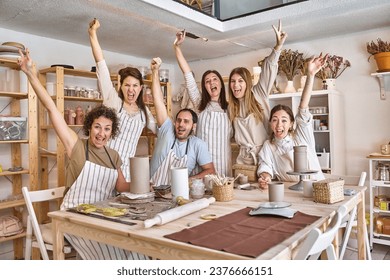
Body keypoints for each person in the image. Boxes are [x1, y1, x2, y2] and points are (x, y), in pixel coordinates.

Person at [18, 49, 148, 260]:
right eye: (97, 127)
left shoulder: (113, 155)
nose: (101, 133)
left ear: (112, 132)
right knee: (111, 252)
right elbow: (51, 108)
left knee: (133, 247)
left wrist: (145, 185)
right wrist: (29, 72)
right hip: (73, 217)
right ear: (90, 127)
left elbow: (121, 186)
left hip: (99, 216)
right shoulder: (76, 146)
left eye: (107, 129)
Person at [88, 18, 157, 182]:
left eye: (135, 86)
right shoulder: (114, 101)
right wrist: (93, 34)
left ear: (141, 88)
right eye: (127, 85)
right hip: (103, 168)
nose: (131, 90)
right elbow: (101, 66)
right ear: (121, 86)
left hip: (126, 174)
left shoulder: (144, 113)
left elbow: (162, 131)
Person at [257, 53, 327, 189]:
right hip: (290, 192)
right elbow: (265, 166)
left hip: (318, 189)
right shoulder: (269, 146)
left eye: (284, 120)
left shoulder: (301, 137)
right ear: (270, 123)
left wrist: (310, 75)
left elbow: (303, 107)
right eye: (275, 120)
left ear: (291, 124)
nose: (279, 125)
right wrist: (265, 178)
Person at [228, 20, 287, 166]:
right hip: (243, 160)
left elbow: (269, 68)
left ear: (247, 83)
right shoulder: (231, 107)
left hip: (264, 156)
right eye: (233, 81)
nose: (236, 85)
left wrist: (277, 48)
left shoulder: (258, 93)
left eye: (240, 81)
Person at [149, 57, 215, 187]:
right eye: (178, 120)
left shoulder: (197, 145)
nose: (181, 124)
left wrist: (189, 180)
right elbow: (157, 100)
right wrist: (155, 71)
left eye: (186, 121)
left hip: (178, 193)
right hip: (152, 190)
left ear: (193, 126)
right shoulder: (167, 131)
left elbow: (210, 170)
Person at [173, 31, 232, 177]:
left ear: (221, 84)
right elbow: (188, 75)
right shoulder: (200, 104)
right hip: (202, 168)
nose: (211, 82)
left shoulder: (231, 108)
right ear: (204, 87)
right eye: (207, 81)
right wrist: (177, 48)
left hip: (224, 167)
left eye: (214, 79)